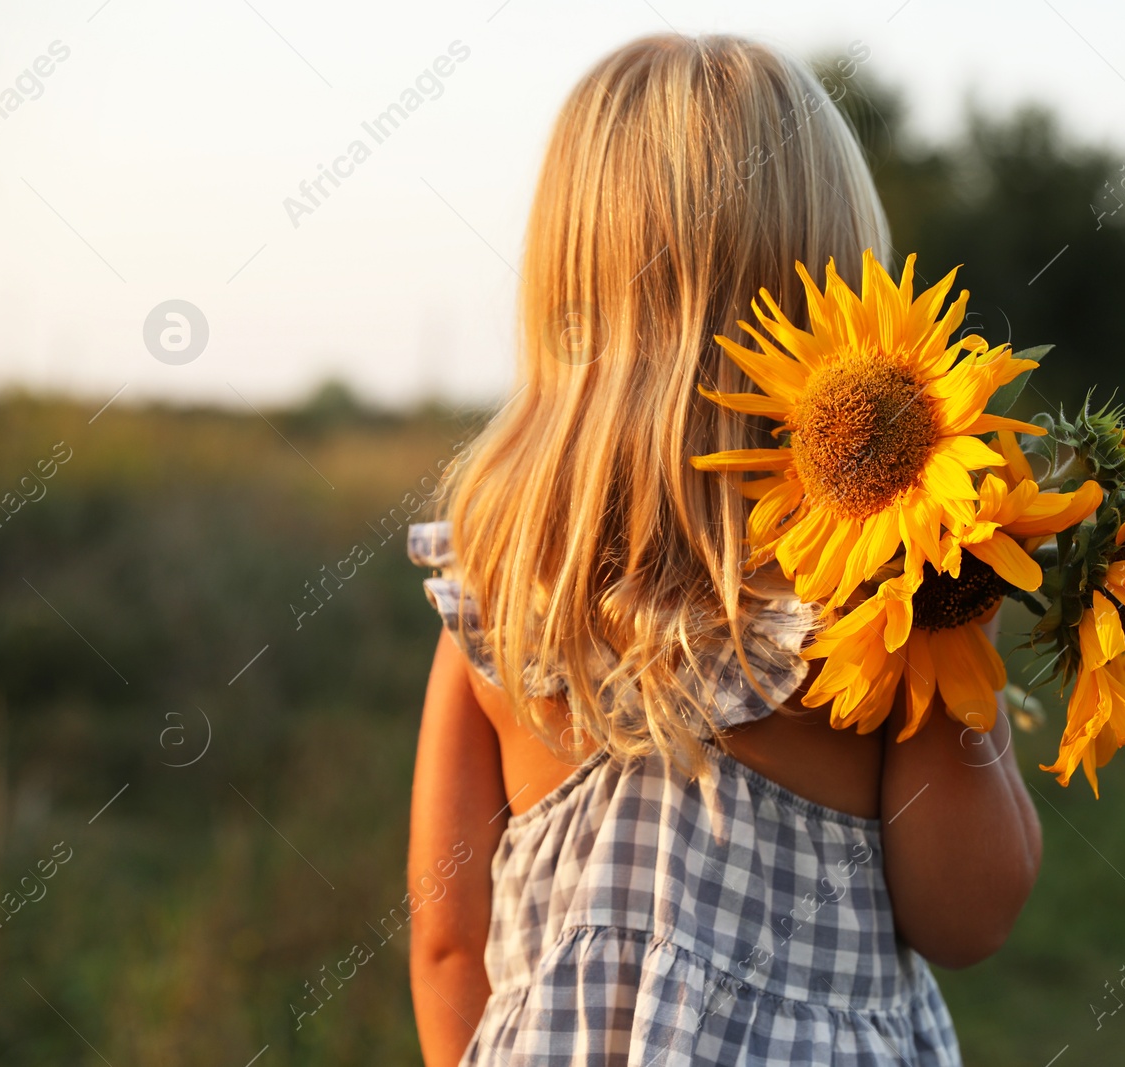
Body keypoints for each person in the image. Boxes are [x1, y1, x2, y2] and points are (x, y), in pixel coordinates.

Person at [405, 33, 1041, 1066]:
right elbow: (969, 917)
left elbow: (445, 938)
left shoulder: (502, 584)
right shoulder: (875, 594)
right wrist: (960, 640)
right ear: (839, 287)